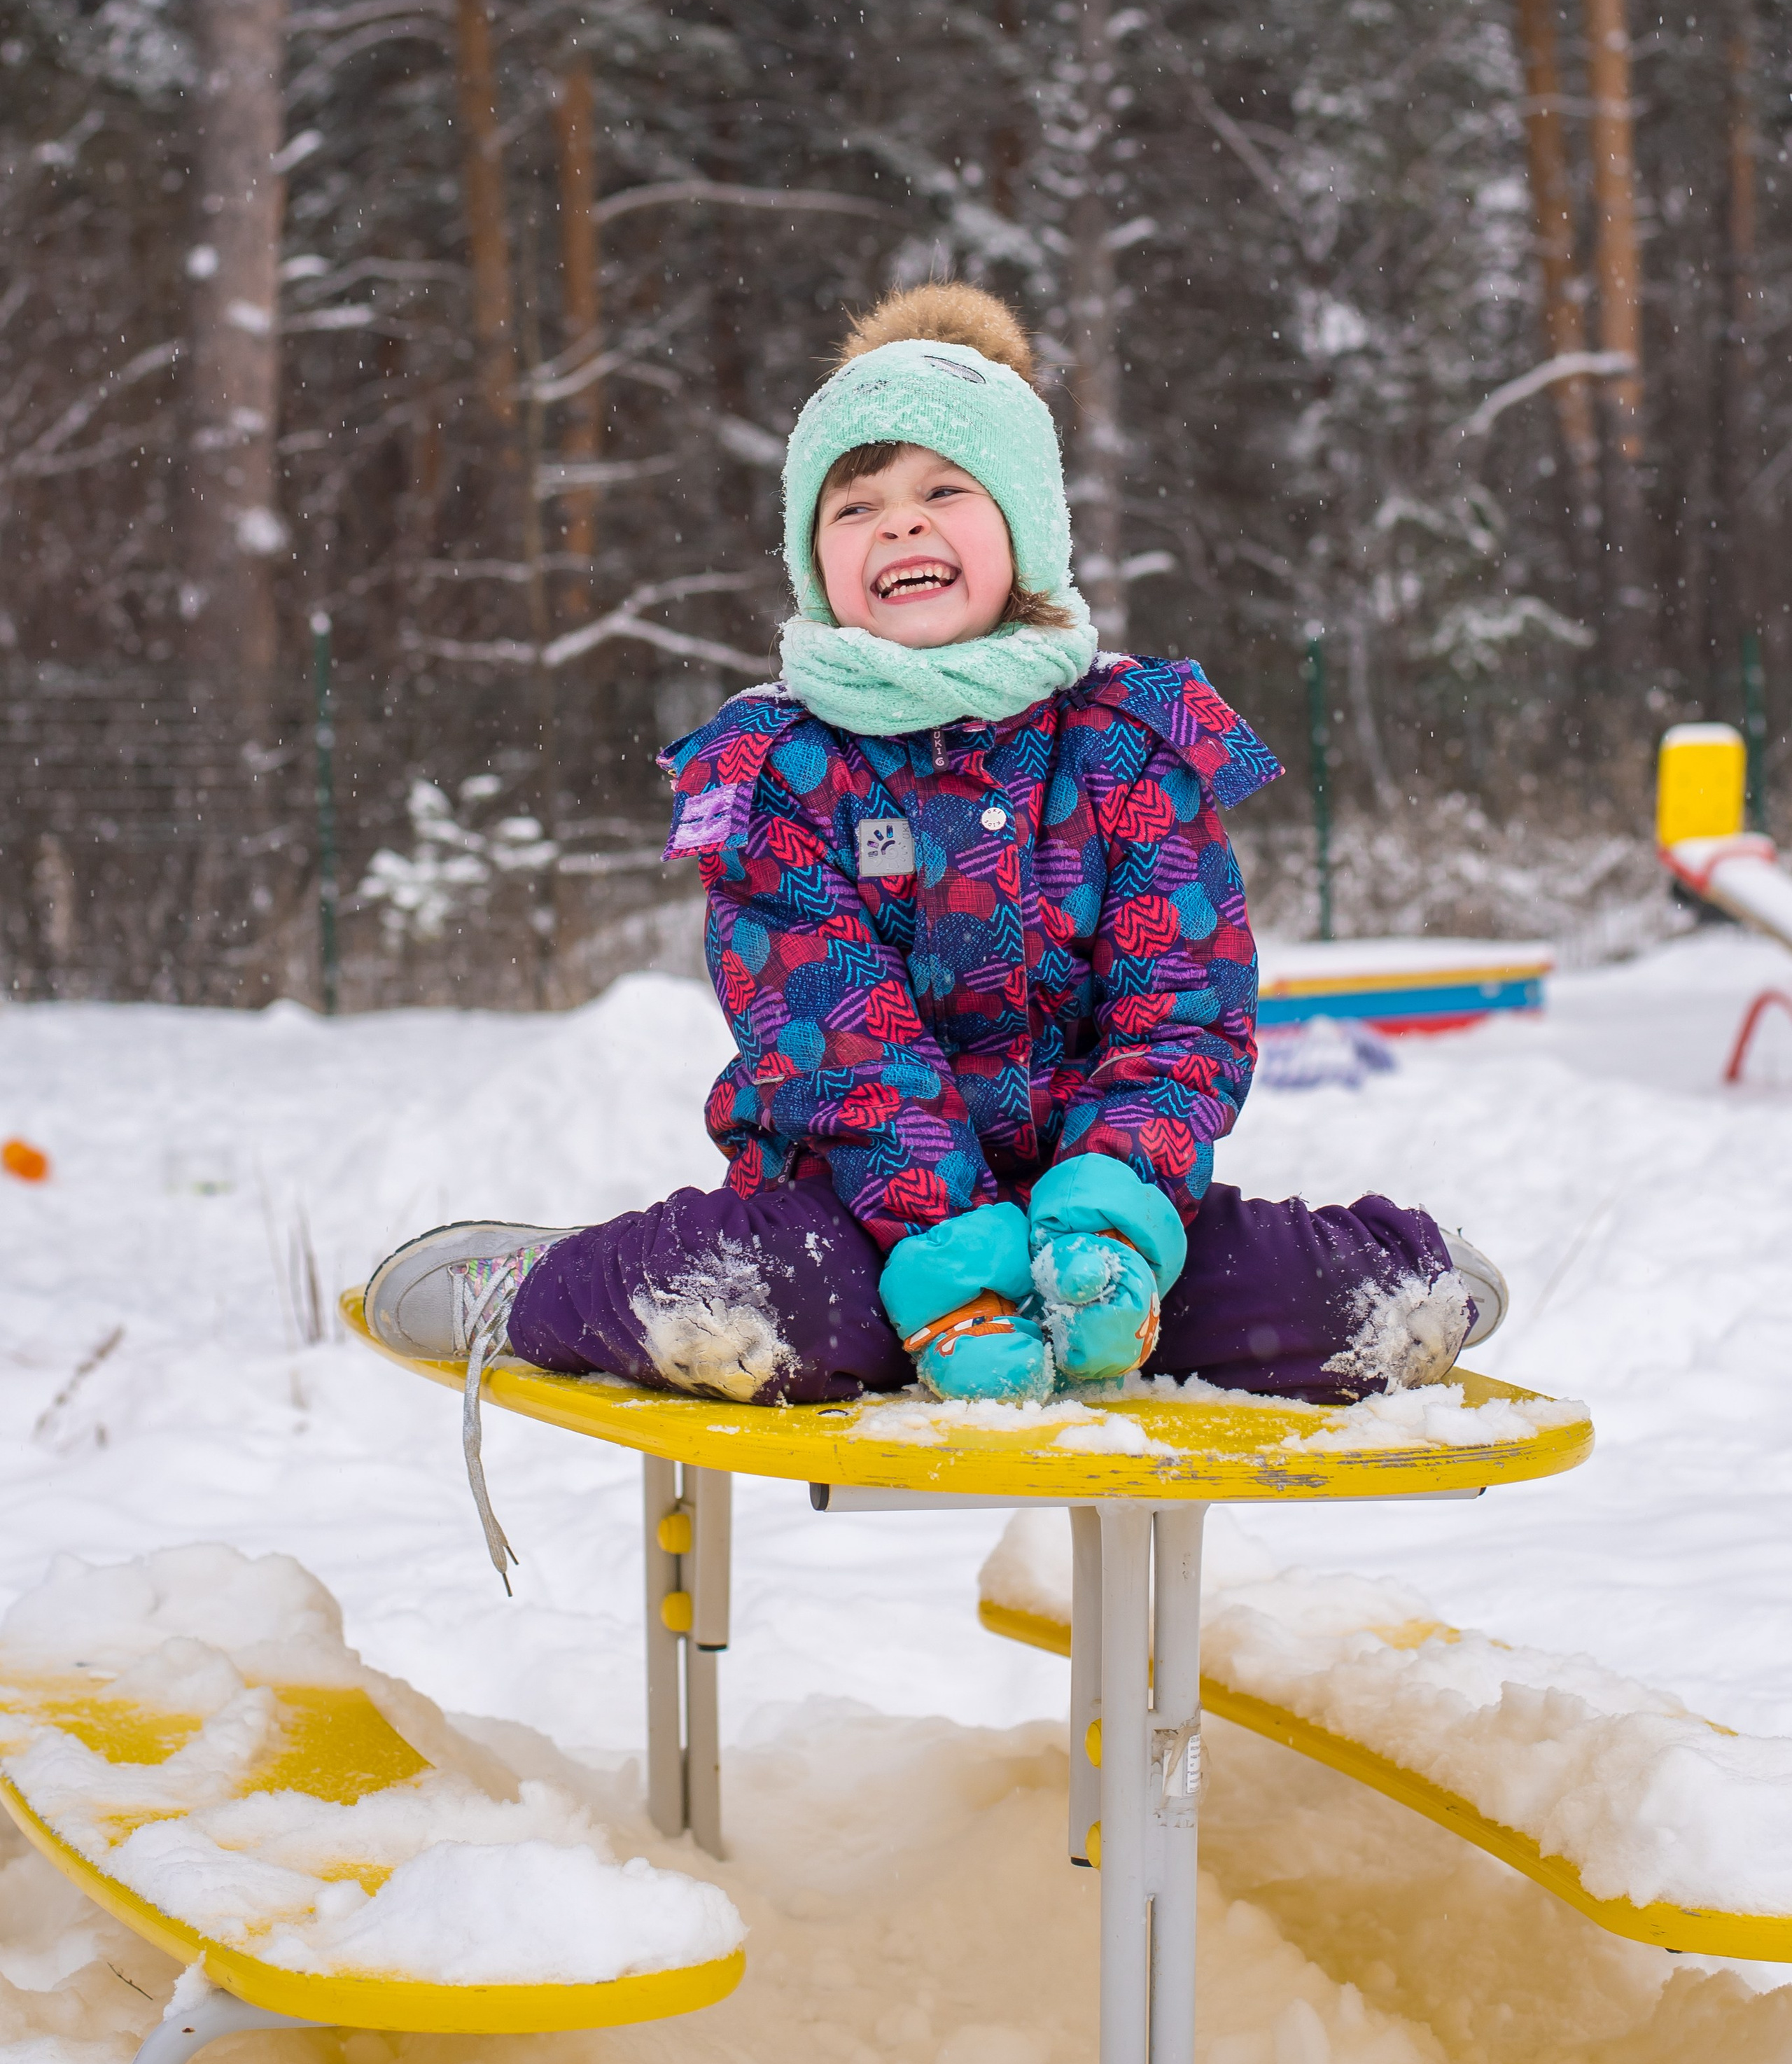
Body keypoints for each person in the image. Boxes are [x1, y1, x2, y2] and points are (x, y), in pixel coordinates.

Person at [365, 286, 1505, 1575]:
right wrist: (946, 1248)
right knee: (782, 1306)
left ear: (1027, 529)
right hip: (856, 1217)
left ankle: (1383, 1278)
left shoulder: (1129, 743)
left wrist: (1113, 1216)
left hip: (1103, 1221)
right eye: (854, 507)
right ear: (819, 563)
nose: (897, 521)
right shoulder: (784, 771)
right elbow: (835, 1040)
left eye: (942, 491)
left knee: (1278, 1298)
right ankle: (537, 1292)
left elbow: (1182, 1007)